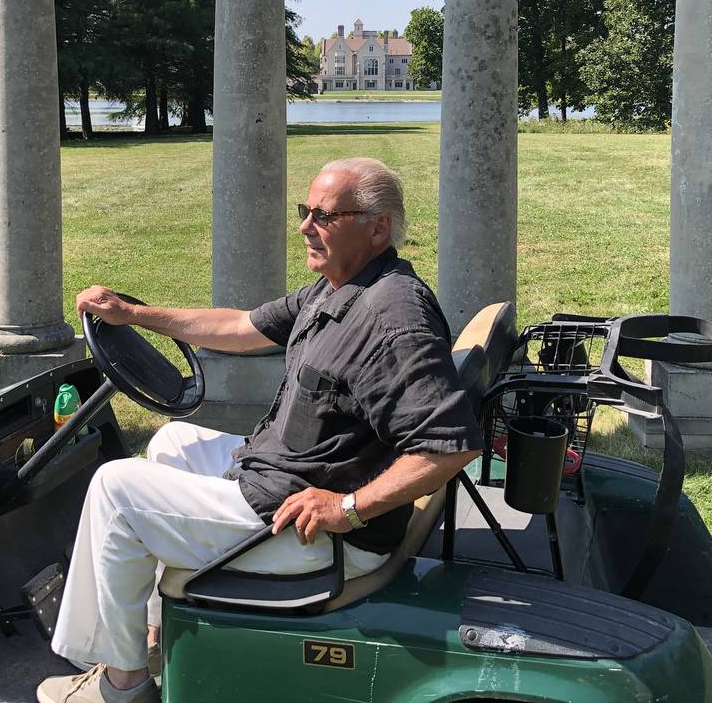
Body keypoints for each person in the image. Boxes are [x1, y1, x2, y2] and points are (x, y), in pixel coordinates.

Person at [37, 158, 483, 703]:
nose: (304, 226)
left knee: (115, 489)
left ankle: (122, 684)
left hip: (315, 531)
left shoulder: (392, 318)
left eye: (325, 215)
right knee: (172, 441)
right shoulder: (338, 287)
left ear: (378, 227)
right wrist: (133, 314)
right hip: (284, 474)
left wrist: (348, 508)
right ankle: (152, 634)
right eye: (306, 211)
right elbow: (240, 326)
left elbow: (448, 446)